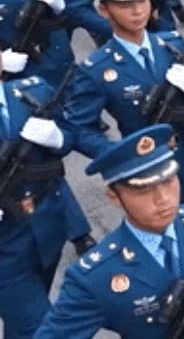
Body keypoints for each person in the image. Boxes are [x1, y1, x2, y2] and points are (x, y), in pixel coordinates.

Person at [34, 124, 184, 339]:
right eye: (143, 190)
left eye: (168, 180)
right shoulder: (95, 276)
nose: (163, 199)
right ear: (114, 197)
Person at [65, 0, 184, 202]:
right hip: (144, 167)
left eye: (142, 0)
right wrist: (119, 152)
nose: (137, 10)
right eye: (125, 4)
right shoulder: (96, 69)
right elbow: (79, 128)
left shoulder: (172, 44)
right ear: (103, 10)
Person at [0, 49, 84, 339]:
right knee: (43, 328)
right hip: (3, 256)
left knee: (24, 327)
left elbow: (69, 136)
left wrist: (57, 139)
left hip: (46, 229)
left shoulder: (32, 93)